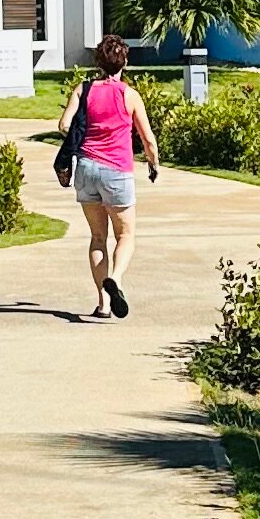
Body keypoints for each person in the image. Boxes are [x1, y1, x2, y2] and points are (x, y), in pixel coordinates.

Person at [57, 33, 160, 319]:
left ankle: (103, 303)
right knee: (126, 234)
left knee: (98, 237)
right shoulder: (129, 95)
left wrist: (84, 136)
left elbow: (64, 124)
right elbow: (148, 140)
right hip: (117, 170)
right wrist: (154, 163)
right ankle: (115, 278)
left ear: (99, 62)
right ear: (124, 62)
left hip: (86, 169)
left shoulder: (83, 89)